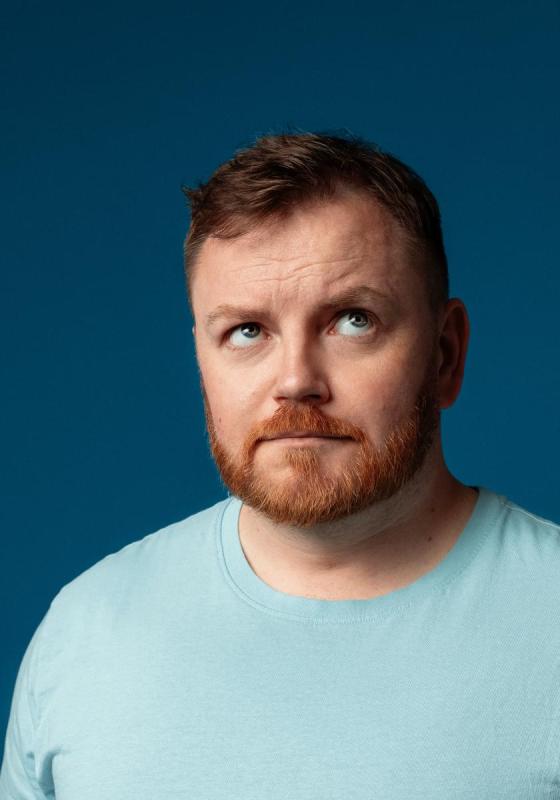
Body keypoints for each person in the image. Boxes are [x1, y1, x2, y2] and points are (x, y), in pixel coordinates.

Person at [1, 132, 559, 799]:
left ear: (445, 354)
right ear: (202, 360)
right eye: (247, 331)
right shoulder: (84, 634)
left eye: (353, 320)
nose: (295, 381)